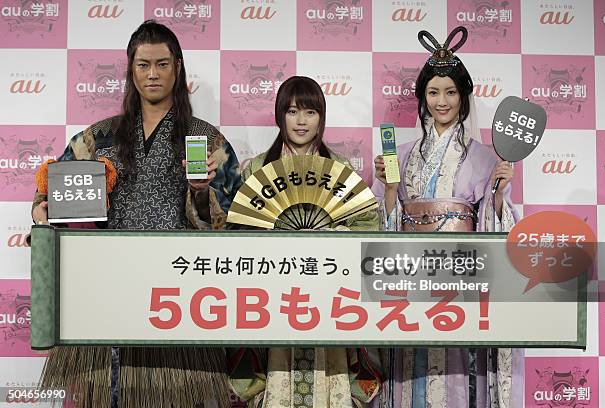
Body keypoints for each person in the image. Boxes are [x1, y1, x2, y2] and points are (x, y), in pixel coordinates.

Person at [31, 20, 241, 407]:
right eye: (143, 64)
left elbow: (236, 223)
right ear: (131, 69)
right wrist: (44, 212)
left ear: (177, 67)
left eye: (162, 63)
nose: (153, 74)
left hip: (178, 294)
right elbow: (50, 193)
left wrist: (199, 194)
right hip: (108, 291)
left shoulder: (206, 139)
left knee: (177, 396)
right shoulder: (99, 137)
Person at [371, 27, 523, 407]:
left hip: (460, 278)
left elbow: (494, 225)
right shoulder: (401, 154)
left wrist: (500, 194)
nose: (442, 101)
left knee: (458, 367)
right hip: (408, 276)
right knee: (410, 363)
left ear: (463, 97)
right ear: (423, 96)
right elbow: (384, 225)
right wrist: (389, 188)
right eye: (434, 92)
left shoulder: (486, 156)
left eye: (451, 92)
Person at [228, 76, 382, 408]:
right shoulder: (255, 169)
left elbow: (367, 232)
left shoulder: (340, 169)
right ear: (279, 115)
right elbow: (238, 234)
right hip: (272, 292)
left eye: (310, 112)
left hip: (328, 292)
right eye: (293, 111)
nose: (301, 121)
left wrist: (333, 239)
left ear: (321, 118)